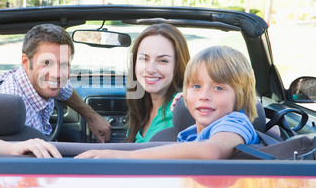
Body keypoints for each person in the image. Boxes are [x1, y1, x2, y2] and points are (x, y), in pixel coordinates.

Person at [76, 46, 260, 159]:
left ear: (241, 94)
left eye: (218, 88)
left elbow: (212, 151)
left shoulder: (235, 123)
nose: (204, 96)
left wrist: (124, 157)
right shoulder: (188, 134)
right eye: (196, 86)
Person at [0, 24, 111, 142]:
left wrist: (91, 116)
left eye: (64, 64)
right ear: (25, 62)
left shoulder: (34, 81)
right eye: (47, 63)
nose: (57, 75)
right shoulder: (13, 112)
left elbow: (65, 89)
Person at [125, 24, 190, 143]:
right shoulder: (142, 104)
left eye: (163, 60)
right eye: (144, 59)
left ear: (178, 65)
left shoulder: (180, 109)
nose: (150, 69)